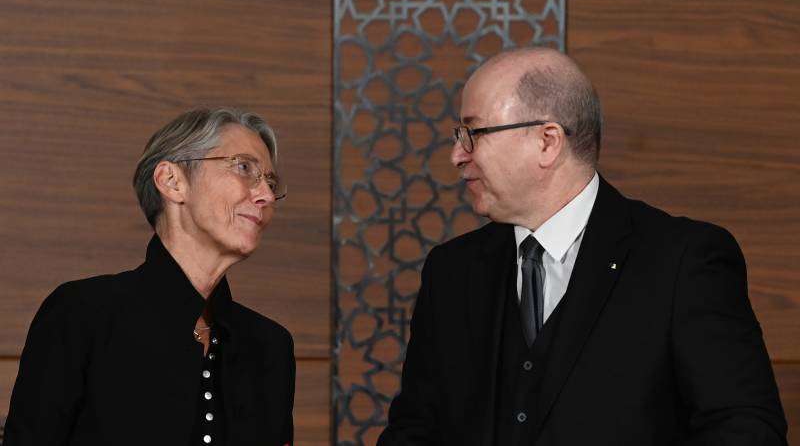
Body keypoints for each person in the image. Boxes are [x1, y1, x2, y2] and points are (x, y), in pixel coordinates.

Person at [378, 48, 787, 445]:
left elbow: (748, 429)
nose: (456, 155)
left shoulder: (684, 261)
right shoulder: (452, 271)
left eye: (473, 133)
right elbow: (414, 429)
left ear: (547, 141)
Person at [5, 108, 295, 446]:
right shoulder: (82, 314)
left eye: (271, 182)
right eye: (245, 168)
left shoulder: (271, 347)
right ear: (172, 181)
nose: (266, 196)